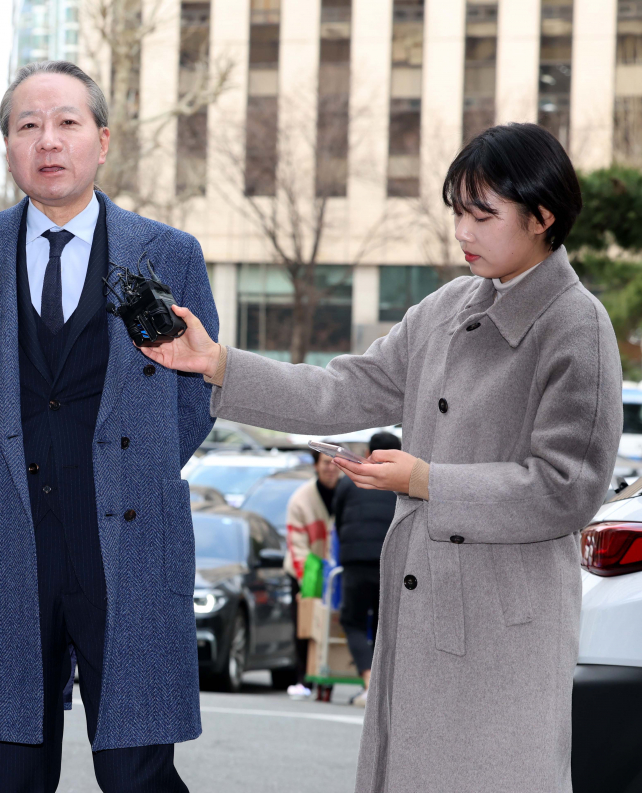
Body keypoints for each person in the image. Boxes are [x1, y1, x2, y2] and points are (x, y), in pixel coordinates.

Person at [137, 122, 621, 792]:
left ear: (543, 216)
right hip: (424, 611)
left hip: (505, 633)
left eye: (483, 215)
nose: (463, 233)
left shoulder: (576, 323)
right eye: (457, 211)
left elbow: (568, 486)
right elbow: (346, 387)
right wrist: (217, 362)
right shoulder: (447, 308)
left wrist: (427, 479)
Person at [0, 61, 217, 792]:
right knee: (12, 774)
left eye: (67, 123)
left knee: (138, 772)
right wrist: (0, 468)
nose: (48, 141)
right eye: (28, 126)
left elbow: (196, 396)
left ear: (103, 139)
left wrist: (130, 468)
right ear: (9, 145)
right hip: (4, 538)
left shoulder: (169, 253)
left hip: (130, 537)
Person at [332, 431, 401, 707]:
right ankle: (380, 689)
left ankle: (368, 679)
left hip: (355, 561)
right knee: (384, 624)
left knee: (353, 621)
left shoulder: (351, 482)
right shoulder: (398, 485)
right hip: (389, 562)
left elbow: (338, 521)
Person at [284, 448, 339, 699]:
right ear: (316, 465)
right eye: (326, 462)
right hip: (304, 572)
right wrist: (308, 585)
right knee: (304, 625)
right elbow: (297, 547)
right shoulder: (301, 499)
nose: (331, 468)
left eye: (335, 463)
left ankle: (328, 680)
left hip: (336, 572)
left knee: (333, 625)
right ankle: (303, 680)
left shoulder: (347, 493)